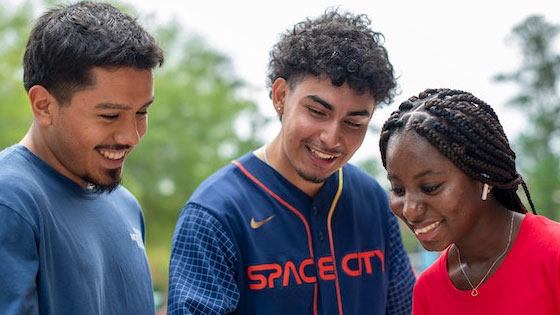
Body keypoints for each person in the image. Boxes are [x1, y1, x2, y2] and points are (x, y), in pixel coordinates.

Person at [168, 9, 416, 315]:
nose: (331, 138)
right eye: (317, 112)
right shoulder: (215, 214)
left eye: (353, 123)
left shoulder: (374, 201)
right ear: (281, 96)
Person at [0, 2, 164, 314]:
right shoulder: (10, 202)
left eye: (142, 112)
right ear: (44, 105)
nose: (131, 135)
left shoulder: (125, 204)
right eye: (110, 115)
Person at [379, 88, 560, 314]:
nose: (411, 211)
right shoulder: (428, 289)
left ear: (482, 176)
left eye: (430, 187)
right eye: (398, 189)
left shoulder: (553, 255)